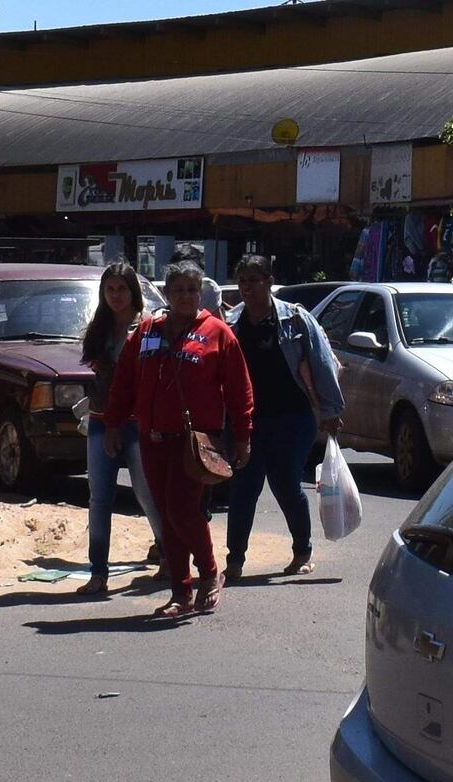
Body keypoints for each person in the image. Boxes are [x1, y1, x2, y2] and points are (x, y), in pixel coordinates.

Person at [104, 258, 253, 616]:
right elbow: (124, 380)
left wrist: (244, 435)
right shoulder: (147, 330)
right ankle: (180, 592)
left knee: (181, 510)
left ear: (199, 291)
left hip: (195, 442)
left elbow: (239, 389)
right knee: (166, 515)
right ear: (167, 294)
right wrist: (112, 424)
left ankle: (209, 572)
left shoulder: (218, 332)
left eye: (192, 289)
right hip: (152, 438)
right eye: (179, 290)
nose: (186, 296)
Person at [225, 254, 344, 582]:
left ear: (269, 281)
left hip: (293, 418)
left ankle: (302, 550)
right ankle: (234, 560)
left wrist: (331, 411)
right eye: (243, 281)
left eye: (254, 280)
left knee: (286, 484)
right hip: (248, 421)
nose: (247, 287)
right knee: (244, 487)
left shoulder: (295, 319)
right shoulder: (232, 323)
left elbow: (321, 363)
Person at [76, 259, 165, 594]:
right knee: (99, 498)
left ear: (133, 292)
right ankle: (98, 572)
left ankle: (167, 555)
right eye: (109, 289)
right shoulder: (97, 328)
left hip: (137, 423)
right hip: (101, 421)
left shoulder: (149, 327)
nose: (115, 295)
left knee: (146, 495)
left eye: (121, 289)